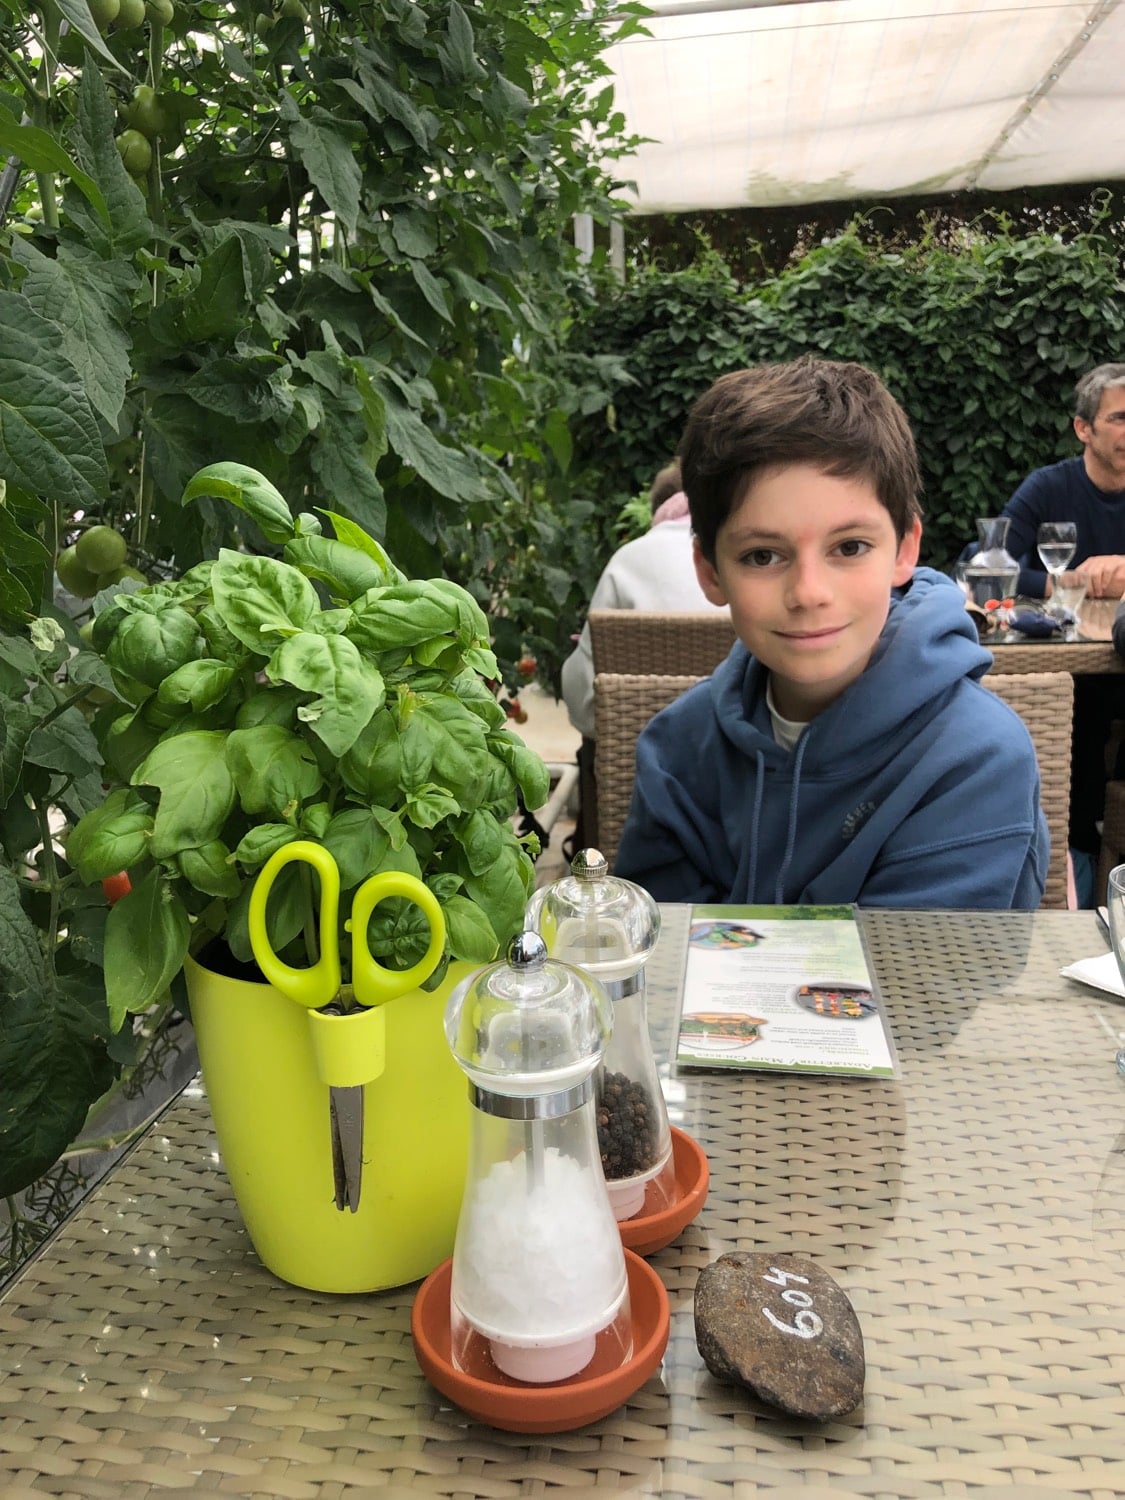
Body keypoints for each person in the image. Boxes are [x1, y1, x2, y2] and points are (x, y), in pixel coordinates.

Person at [614, 357, 1048, 908]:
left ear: (905, 550)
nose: (809, 592)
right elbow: (656, 944)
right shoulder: (676, 749)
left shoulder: (974, 759)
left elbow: (914, 964)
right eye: (762, 555)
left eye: (849, 547)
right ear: (710, 572)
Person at [560, 460, 729, 847]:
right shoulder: (749, 558)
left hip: (633, 777)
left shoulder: (629, 559)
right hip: (739, 772)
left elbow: (582, 703)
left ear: (659, 508)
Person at [991, 363, 1125, 598]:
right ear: (1083, 429)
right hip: (1059, 621)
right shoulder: (1047, 488)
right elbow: (989, 568)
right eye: (1120, 419)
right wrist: (1072, 584)